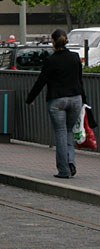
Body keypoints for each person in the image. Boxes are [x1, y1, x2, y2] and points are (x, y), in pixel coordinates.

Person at [25, 28, 85, 178]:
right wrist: (84, 101)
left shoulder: (51, 60)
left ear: (53, 42)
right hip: (75, 99)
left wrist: (30, 99)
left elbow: (41, 81)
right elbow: (80, 80)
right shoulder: (75, 57)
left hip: (57, 100)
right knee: (69, 131)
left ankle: (64, 170)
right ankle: (71, 162)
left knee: (60, 133)